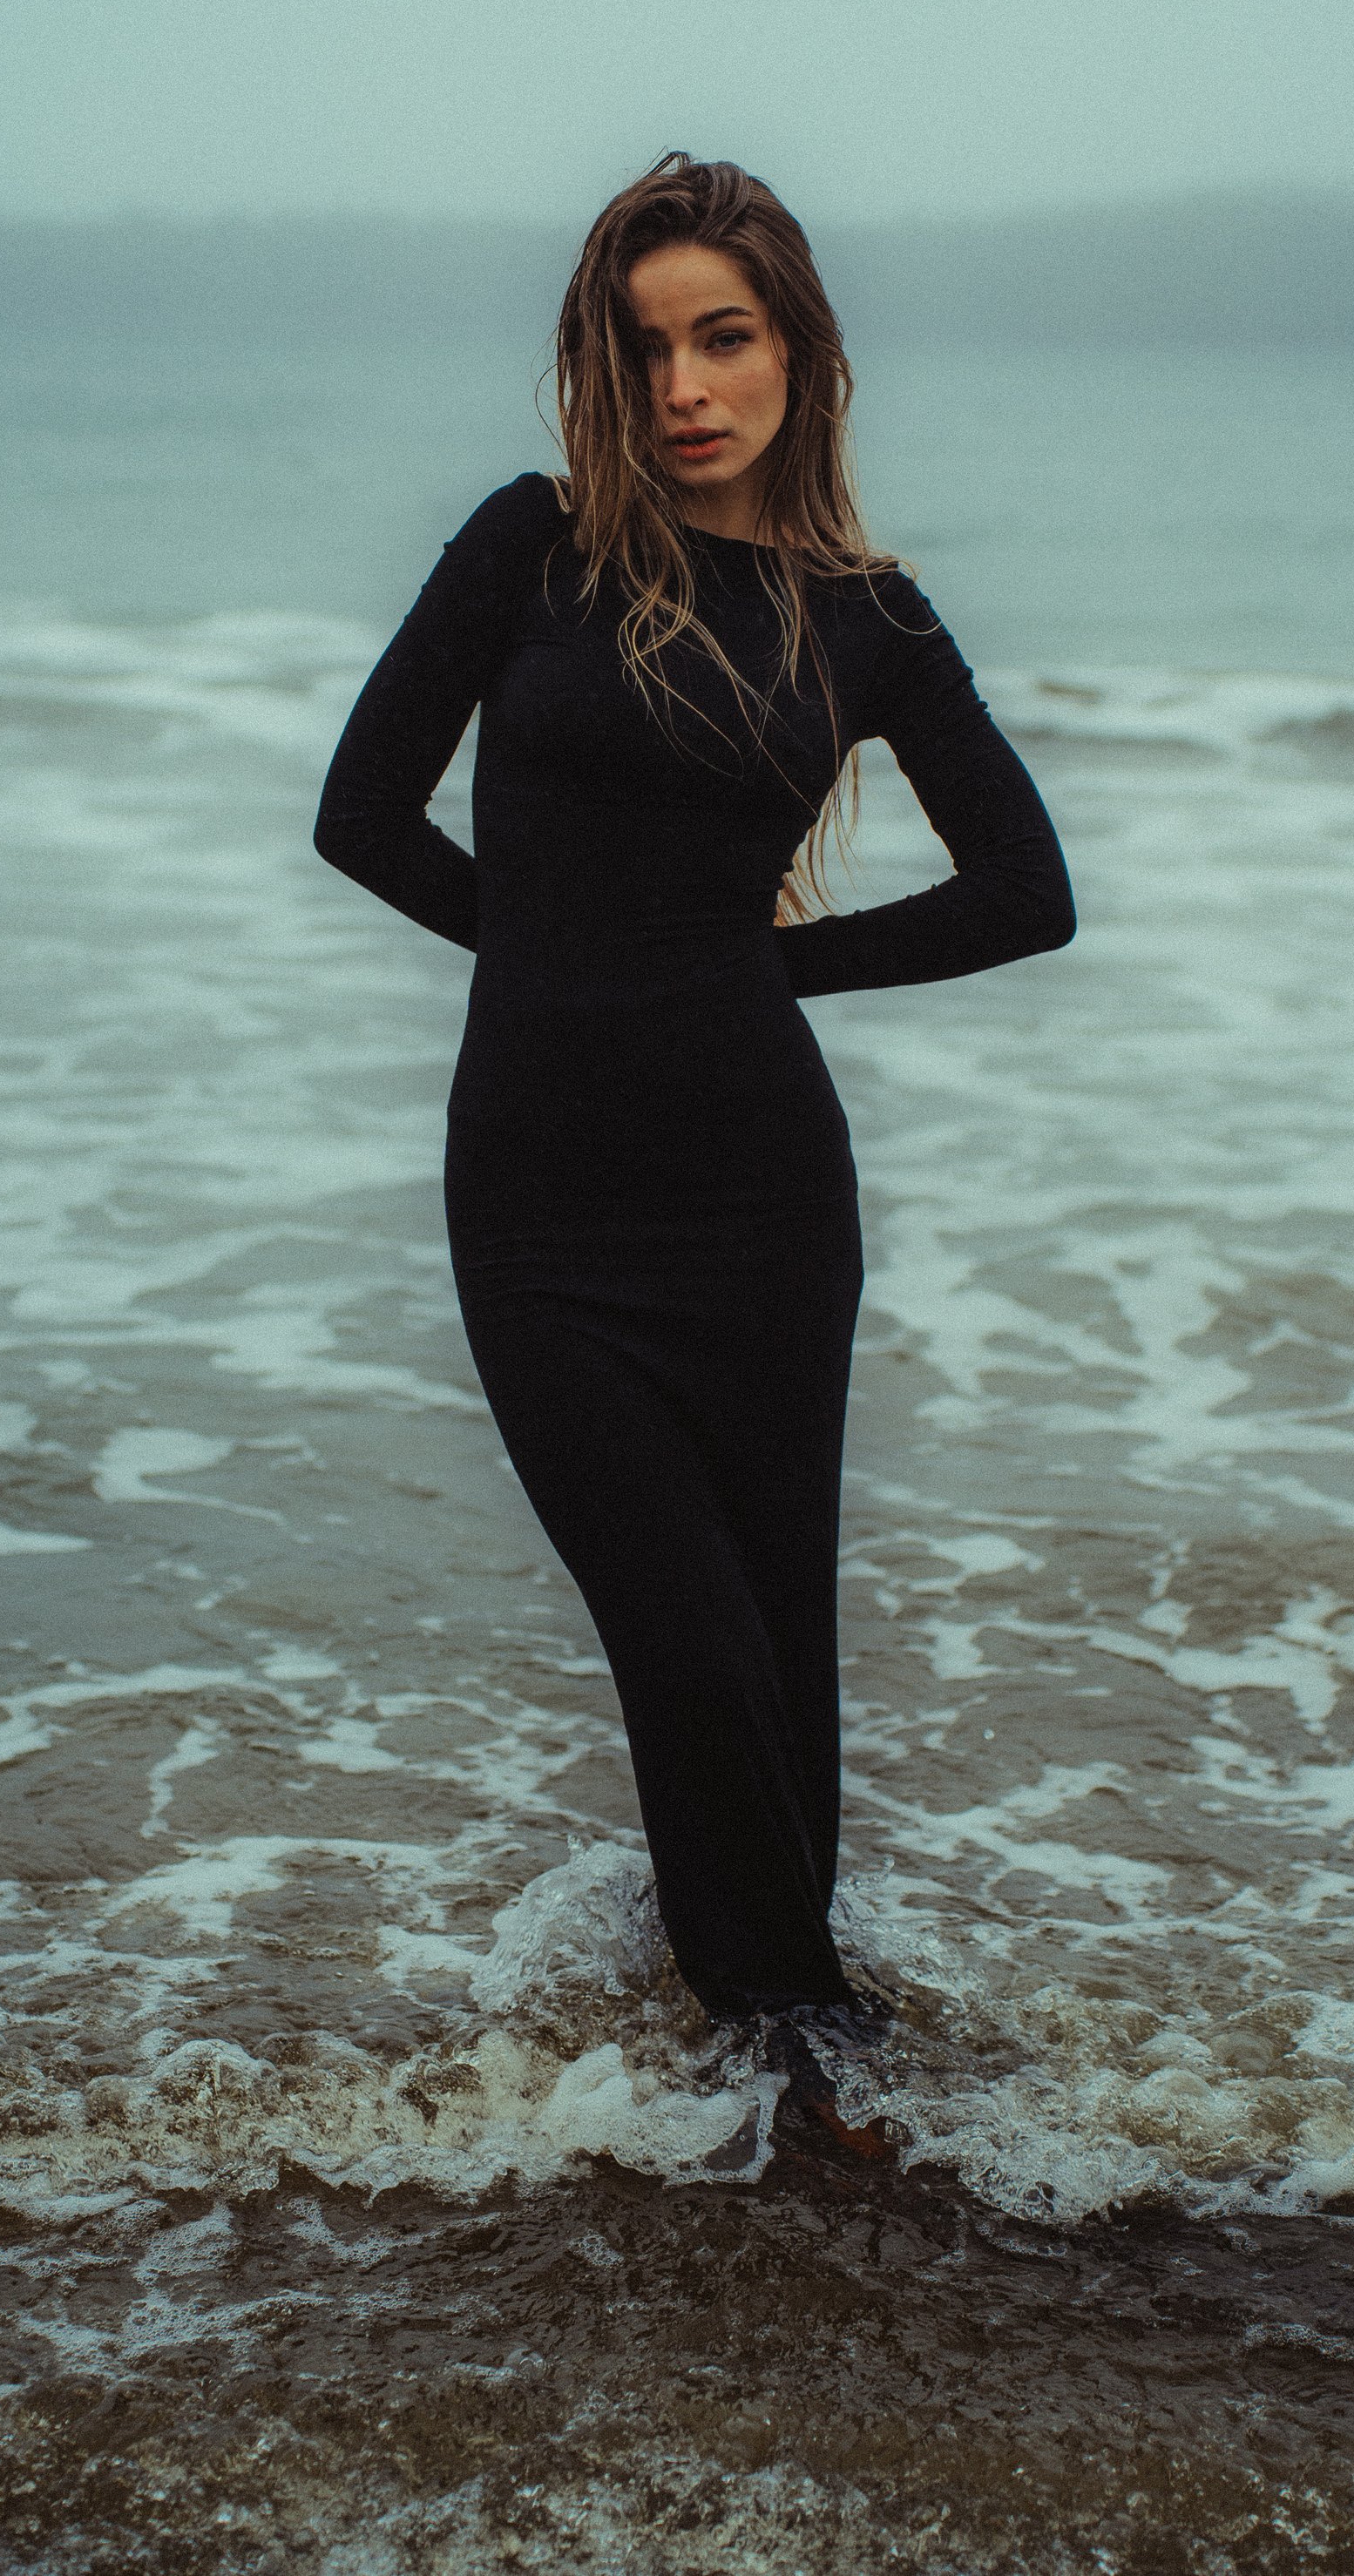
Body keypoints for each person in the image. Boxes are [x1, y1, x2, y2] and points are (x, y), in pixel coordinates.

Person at [315, 154, 1073, 2149]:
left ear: (796, 352)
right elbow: (362, 817)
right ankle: (800, 2022)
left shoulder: (865, 617)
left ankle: (775, 2055)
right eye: (642, 344)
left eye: (720, 336)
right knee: (678, 1620)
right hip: (542, 1207)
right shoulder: (529, 553)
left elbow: (1024, 892)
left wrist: (767, 973)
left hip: (759, 1201)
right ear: (599, 367)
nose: (682, 384)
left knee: (772, 1623)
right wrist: (576, 962)